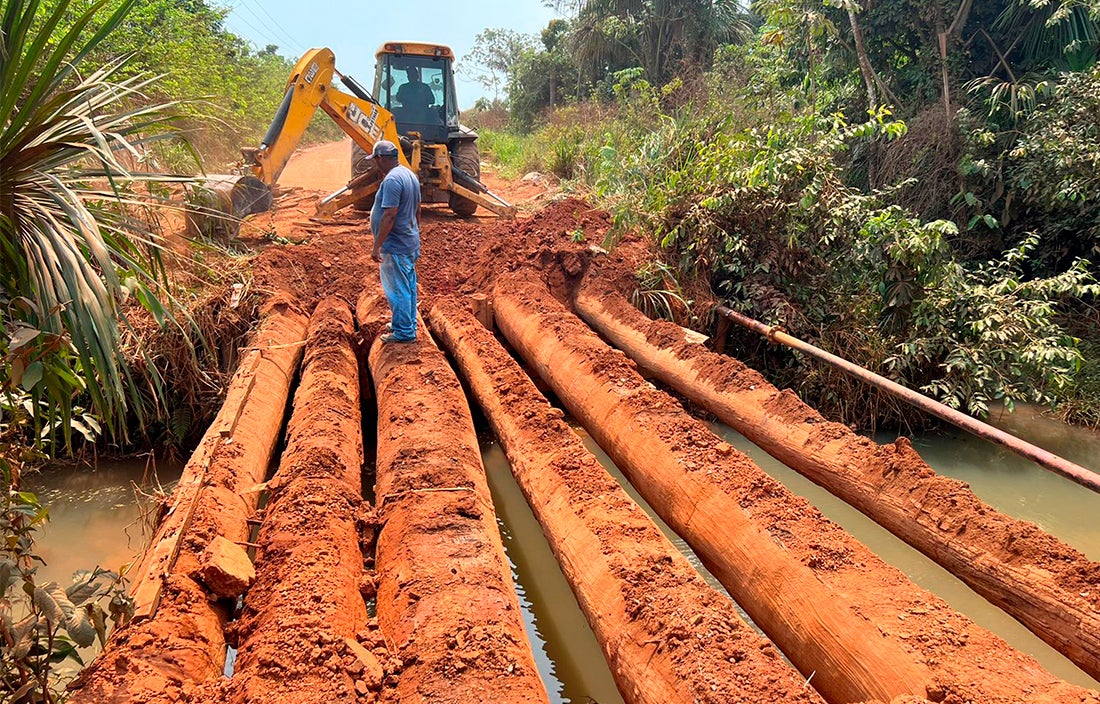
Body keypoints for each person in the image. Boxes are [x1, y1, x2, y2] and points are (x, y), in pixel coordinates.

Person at [368, 140, 422, 343]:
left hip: (395, 245)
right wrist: (415, 233)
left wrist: (377, 245)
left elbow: (390, 215)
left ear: (381, 159)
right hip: (408, 242)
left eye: (375, 160)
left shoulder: (392, 181)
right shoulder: (409, 175)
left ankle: (404, 333)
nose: (375, 164)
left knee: (397, 289)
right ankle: (405, 323)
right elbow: (418, 209)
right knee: (408, 286)